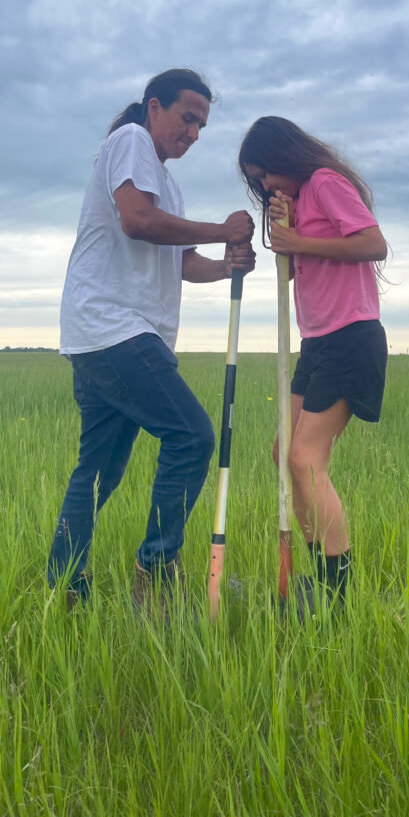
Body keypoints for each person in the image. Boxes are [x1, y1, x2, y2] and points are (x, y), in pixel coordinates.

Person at [49, 69, 255, 613]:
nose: (193, 133)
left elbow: (179, 261)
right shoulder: (132, 141)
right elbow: (138, 222)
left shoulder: (167, 182)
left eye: (202, 126)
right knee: (191, 437)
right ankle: (156, 576)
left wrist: (227, 264)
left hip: (103, 334)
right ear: (155, 107)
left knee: (98, 472)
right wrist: (222, 229)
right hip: (117, 329)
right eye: (187, 118)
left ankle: (65, 590)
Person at [238, 116, 388, 605]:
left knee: (306, 458)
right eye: (258, 180)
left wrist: (300, 239)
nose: (265, 184)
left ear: (285, 157)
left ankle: (338, 591)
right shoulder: (300, 201)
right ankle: (316, 575)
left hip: (351, 336)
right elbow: (289, 274)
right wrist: (285, 226)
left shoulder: (326, 183)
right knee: (284, 452)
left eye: (266, 173)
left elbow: (373, 243)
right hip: (318, 341)